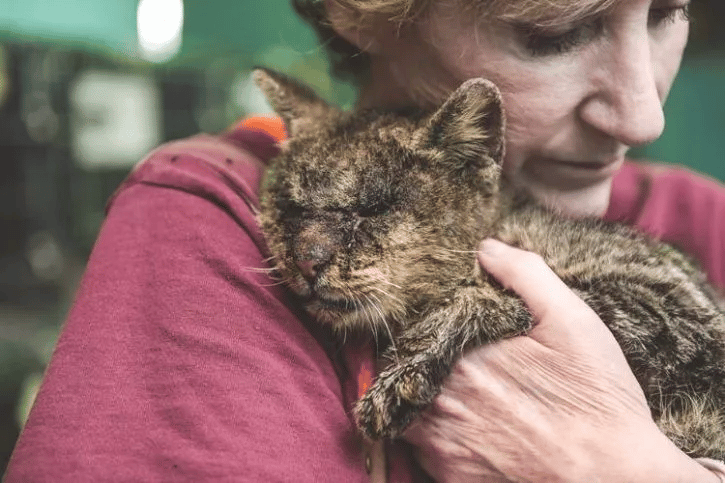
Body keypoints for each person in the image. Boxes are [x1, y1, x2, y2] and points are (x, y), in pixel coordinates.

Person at [5, 0, 725, 481]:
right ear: (362, 12)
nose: (642, 115)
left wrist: (608, 464)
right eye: (551, 31)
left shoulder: (702, 214)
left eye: (669, 10)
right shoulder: (209, 214)